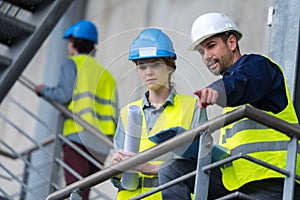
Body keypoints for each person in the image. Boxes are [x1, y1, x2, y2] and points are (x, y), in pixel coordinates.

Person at [159, 12, 300, 199]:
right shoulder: (229, 94)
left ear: (232, 43)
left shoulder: (258, 67)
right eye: (201, 52)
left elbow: (242, 83)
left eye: (211, 46)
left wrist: (217, 91)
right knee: (171, 171)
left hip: (272, 179)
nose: (207, 56)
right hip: (235, 181)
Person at [110, 28, 207, 200]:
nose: (148, 72)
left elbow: (201, 162)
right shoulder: (127, 113)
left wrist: (151, 168)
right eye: (142, 66)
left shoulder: (192, 106)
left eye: (155, 64)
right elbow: (118, 179)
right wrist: (116, 170)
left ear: (171, 67)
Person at [35, 20, 118, 200]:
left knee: (75, 190)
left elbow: (64, 94)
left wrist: (43, 91)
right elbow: (115, 113)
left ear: (73, 42)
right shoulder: (107, 75)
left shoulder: (72, 64)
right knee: (82, 192)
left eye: (69, 42)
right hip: (101, 143)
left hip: (78, 135)